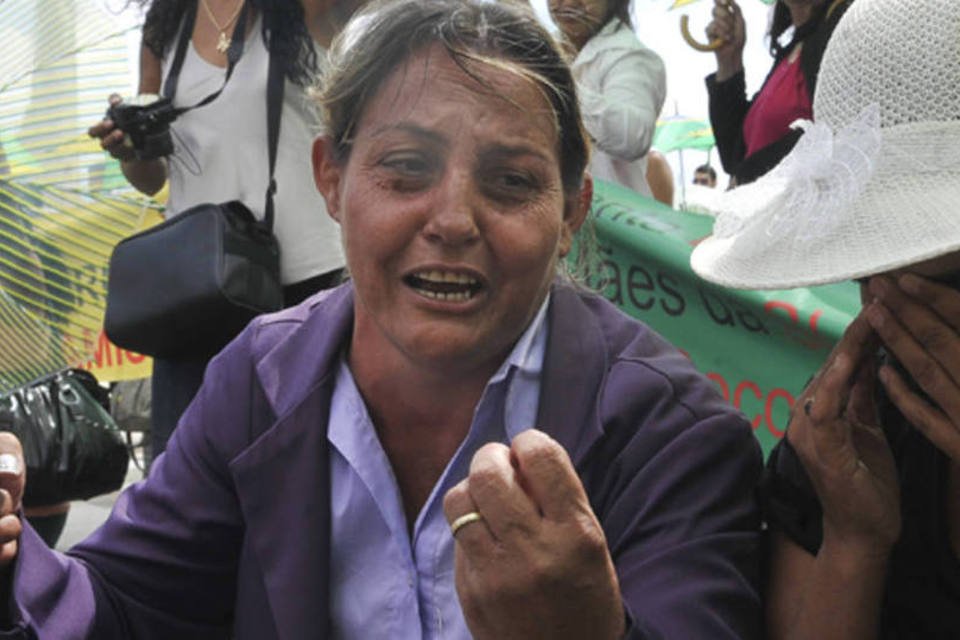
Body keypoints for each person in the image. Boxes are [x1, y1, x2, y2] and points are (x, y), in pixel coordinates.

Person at [0, 1, 763, 637]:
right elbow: (123, 604)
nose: (454, 219)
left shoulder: (670, 434)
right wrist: (12, 556)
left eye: (511, 181)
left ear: (572, 213)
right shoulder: (260, 381)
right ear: (331, 177)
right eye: (405, 170)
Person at [691, 0, 960, 636]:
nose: (894, 305)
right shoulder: (851, 437)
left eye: (940, 277)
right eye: (872, 263)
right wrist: (853, 539)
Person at [88, 0, 357, 462]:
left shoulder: (306, 8)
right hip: (197, 290)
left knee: (303, 468)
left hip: (306, 279)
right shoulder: (165, 22)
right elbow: (153, 178)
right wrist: (130, 145)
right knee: (185, 473)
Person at [705, 0, 850, 186]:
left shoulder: (846, 30)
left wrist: (749, 177)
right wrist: (729, 61)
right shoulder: (793, 52)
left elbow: (836, 131)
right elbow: (734, 159)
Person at [548, 0, 667, 198]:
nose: (567, 3)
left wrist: (555, 80)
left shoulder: (630, 56)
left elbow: (631, 136)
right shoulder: (543, 49)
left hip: (609, 221)